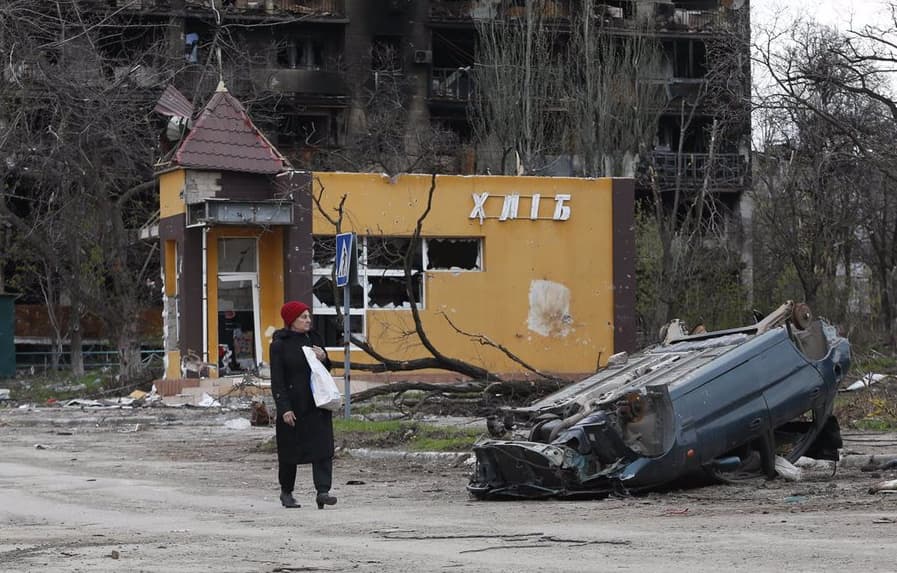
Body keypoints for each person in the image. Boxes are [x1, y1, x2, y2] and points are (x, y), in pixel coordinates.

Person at [270, 300, 338, 509]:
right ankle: (287, 492)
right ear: (292, 320)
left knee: (323, 448)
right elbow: (277, 380)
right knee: (290, 451)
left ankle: (323, 491)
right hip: (294, 406)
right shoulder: (280, 344)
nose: (308, 320)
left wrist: (324, 357)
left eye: (309, 316)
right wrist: (284, 408)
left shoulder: (313, 338)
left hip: (317, 403)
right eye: (304, 317)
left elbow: (325, 369)